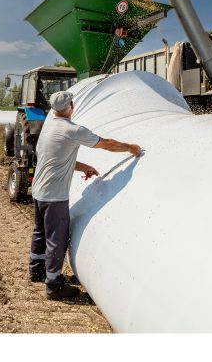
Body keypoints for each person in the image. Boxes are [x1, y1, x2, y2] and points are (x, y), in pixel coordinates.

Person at [29, 90, 142, 300]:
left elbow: (56, 159)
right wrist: (130, 148)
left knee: (40, 232)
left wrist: (84, 167)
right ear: (71, 106)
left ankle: (36, 270)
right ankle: (54, 284)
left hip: (39, 190)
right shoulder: (73, 130)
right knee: (56, 237)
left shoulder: (49, 126)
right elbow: (105, 143)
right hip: (55, 195)